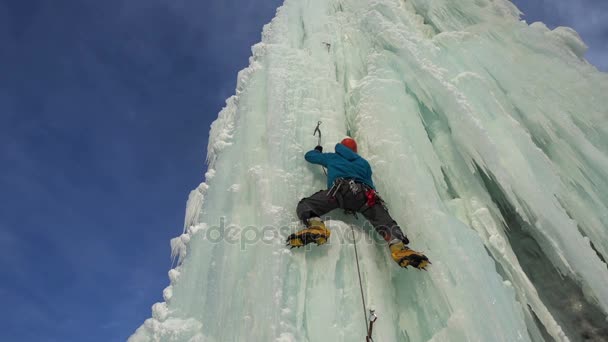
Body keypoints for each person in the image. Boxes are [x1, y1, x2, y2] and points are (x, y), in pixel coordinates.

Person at [286, 137, 430, 269]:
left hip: (341, 191)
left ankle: (316, 227)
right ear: (355, 151)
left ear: (341, 148)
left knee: (306, 205)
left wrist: (317, 150)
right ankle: (398, 246)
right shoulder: (363, 163)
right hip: (366, 196)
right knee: (385, 223)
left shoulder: (333, 157)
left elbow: (309, 157)